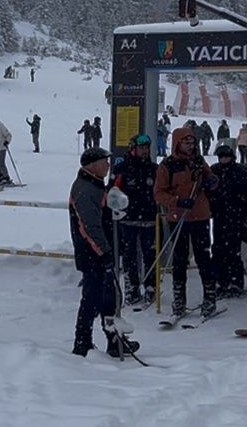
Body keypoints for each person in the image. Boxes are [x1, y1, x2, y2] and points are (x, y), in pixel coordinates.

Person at [69, 146, 140, 358]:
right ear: (93, 165)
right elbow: (89, 226)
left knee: (110, 298)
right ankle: (82, 342)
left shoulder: (97, 185)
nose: (108, 165)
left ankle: (114, 339)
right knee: (92, 299)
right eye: (104, 162)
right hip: (92, 253)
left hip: (101, 251)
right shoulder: (85, 189)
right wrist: (104, 251)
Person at [153, 128, 217, 319]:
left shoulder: (198, 161)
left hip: (200, 216)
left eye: (192, 143)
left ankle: (210, 298)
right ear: (177, 143)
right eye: (186, 143)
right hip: (179, 217)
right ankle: (179, 300)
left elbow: (212, 180)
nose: (190, 146)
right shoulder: (167, 165)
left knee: (204, 257)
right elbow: (159, 194)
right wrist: (177, 201)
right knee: (179, 260)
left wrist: (211, 181)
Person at [111, 134, 159, 306]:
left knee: (150, 255)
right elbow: (113, 190)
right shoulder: (122, 168)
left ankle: (150, 286)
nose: (145, 151)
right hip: (128, 219)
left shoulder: (154, 169)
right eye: (141, 148)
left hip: (149, 219)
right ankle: (132, 288)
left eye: (147, 148)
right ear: (133, 149)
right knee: (129, 256)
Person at [209, 144, 247, 298]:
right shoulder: (215, 171)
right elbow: (208, 191)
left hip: (239, 217)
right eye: (221, 157)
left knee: (235, 251)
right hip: (220, 217)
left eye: (227, 156)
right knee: (218, 250)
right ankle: (220, 281)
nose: (224, 159)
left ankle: (236, 282)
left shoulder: (242, 172)